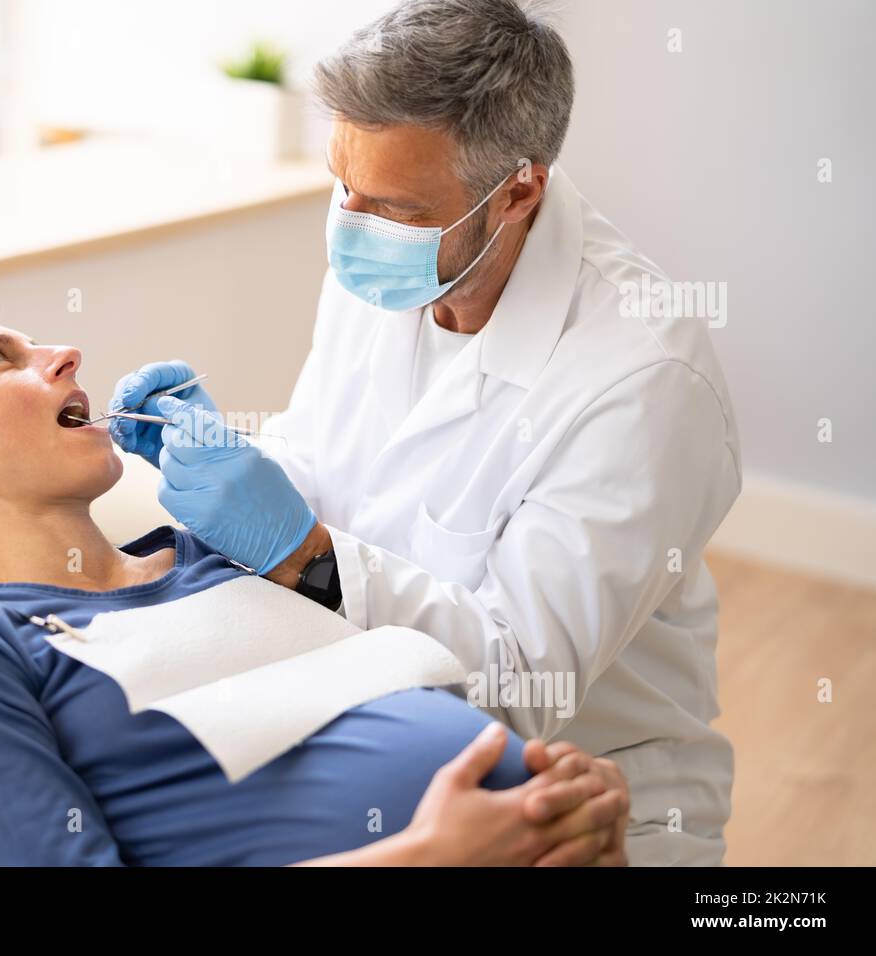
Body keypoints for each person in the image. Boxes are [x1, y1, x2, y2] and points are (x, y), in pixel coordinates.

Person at [110, 0, 738, 865]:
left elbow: (523, 686)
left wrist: (304, 552)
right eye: (343, 186)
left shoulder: (645, 378)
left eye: (393, 207)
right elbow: (334, 463)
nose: (352, 228)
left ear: (518, 189)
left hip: (579, 796)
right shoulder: (389, 262)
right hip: (373, 729)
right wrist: (239, 461)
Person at [0, 314, 629, 866]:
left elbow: (442, 686)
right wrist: (422, 855)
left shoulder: (214, 552)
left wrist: (562, 796)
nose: (65, 353)